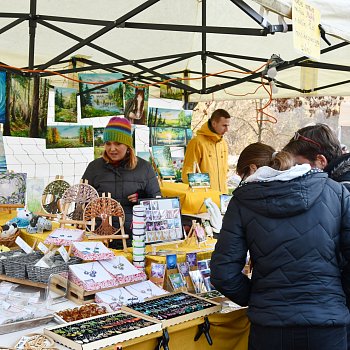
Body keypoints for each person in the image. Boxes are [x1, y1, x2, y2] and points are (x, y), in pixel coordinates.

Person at [211, 142, 350, 350]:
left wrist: (260, 298)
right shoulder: (336, 193)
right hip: (327, 323)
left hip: (270, 326)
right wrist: (337, 297)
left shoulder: (242, 202)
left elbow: (224, 273)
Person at [82, 116, 161, 245]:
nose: (112, 149)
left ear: (128, 145)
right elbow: (82, 204)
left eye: (118, 143)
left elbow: (157, 203)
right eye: (108, 143)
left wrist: (141, 200)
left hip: (135, 237)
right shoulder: (94, 167)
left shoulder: (144, 168)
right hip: (100, 237)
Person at [283, 124, 350, 189]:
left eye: (298, 165)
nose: (291, 171)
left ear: (321, 161)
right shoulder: (334, 189)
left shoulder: (343, 192)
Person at [181, 109, 231, 193]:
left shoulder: (223, 144)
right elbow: (188, 172)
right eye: (224, 125)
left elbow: (225, 170)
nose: (227, 129)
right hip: (204, 198)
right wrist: (202, 193)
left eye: (228, 126)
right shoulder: (197, 142)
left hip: (223, 197)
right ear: (214, 123)